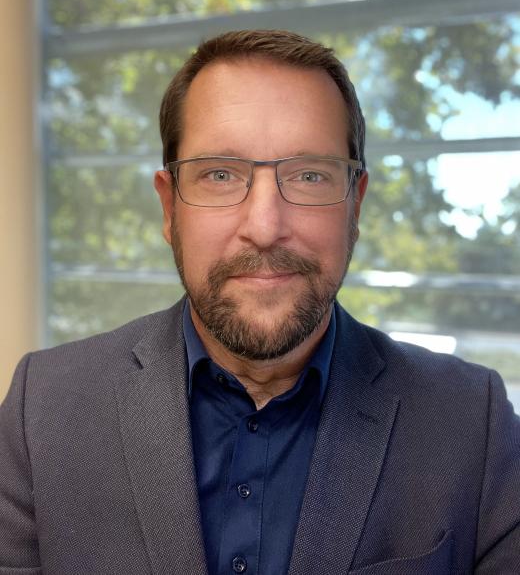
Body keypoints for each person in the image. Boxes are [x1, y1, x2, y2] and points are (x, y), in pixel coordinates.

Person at [1, 29, 519, 575]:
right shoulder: (45, 409)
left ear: (355, 205)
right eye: (220, 175)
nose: (266, 228)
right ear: (170, 208)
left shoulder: (471, 423)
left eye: (311, 175)